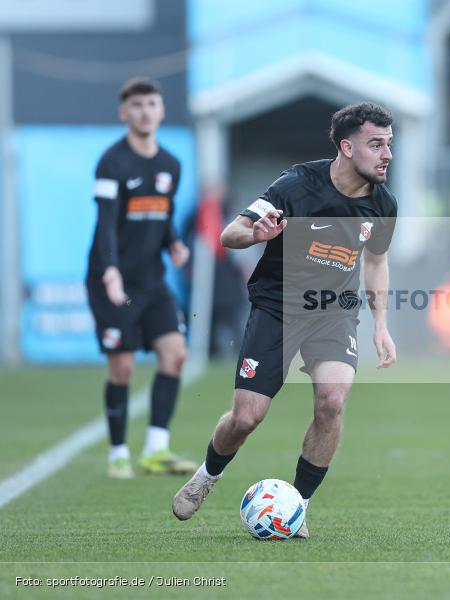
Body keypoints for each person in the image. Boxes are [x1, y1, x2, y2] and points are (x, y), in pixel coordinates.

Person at [172, 103, 398, 539]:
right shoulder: (296, 184)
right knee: (246, 418)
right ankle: (207, 475)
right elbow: (230, 233)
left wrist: (381, 324)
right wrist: (255, 233)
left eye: (389, 144)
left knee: (332, 402)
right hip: (277, 309)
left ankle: (298, 507)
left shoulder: (383, 203)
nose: (387, 154)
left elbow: (377, 262)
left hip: (333, 314)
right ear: (347, 148)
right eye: (376, 144)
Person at [86, 77, 196, 479]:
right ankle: (118, 452)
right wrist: (110, 272)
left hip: (153, 281)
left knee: (175, 354)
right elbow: (106, 224)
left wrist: (174, 244)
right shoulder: (112, 162)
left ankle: (156, 450)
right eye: (137, 105)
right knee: (124, 368)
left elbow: (163, 215)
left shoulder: (171, 164)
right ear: (124, 113)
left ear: (161, 110)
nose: (145, 111)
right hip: (113, 282)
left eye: (151, 104)